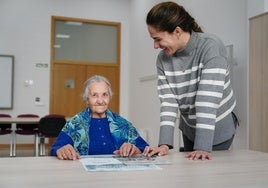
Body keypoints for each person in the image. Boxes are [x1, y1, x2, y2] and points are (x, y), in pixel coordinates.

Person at [143, 1, 238, 160]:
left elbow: (206, 101)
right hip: (189, 128)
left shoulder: (210, 47)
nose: (155, 45)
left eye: (158, 39)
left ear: (177, 31)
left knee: (209, 176)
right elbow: (168, 102)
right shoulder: (163, 59)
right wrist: (164, 145)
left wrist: (202, 147)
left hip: (217, 125)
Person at [51, 75, 149, 160]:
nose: (100, 101)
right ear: (87, 99)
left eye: (104, 95)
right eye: (94, 95)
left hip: (116, 176)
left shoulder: (122, 123)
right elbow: (56, 148)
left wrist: (135, 149)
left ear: (109, 97)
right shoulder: (75, 123)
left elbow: (144, 148)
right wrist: (62, 150)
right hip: (83, 175)